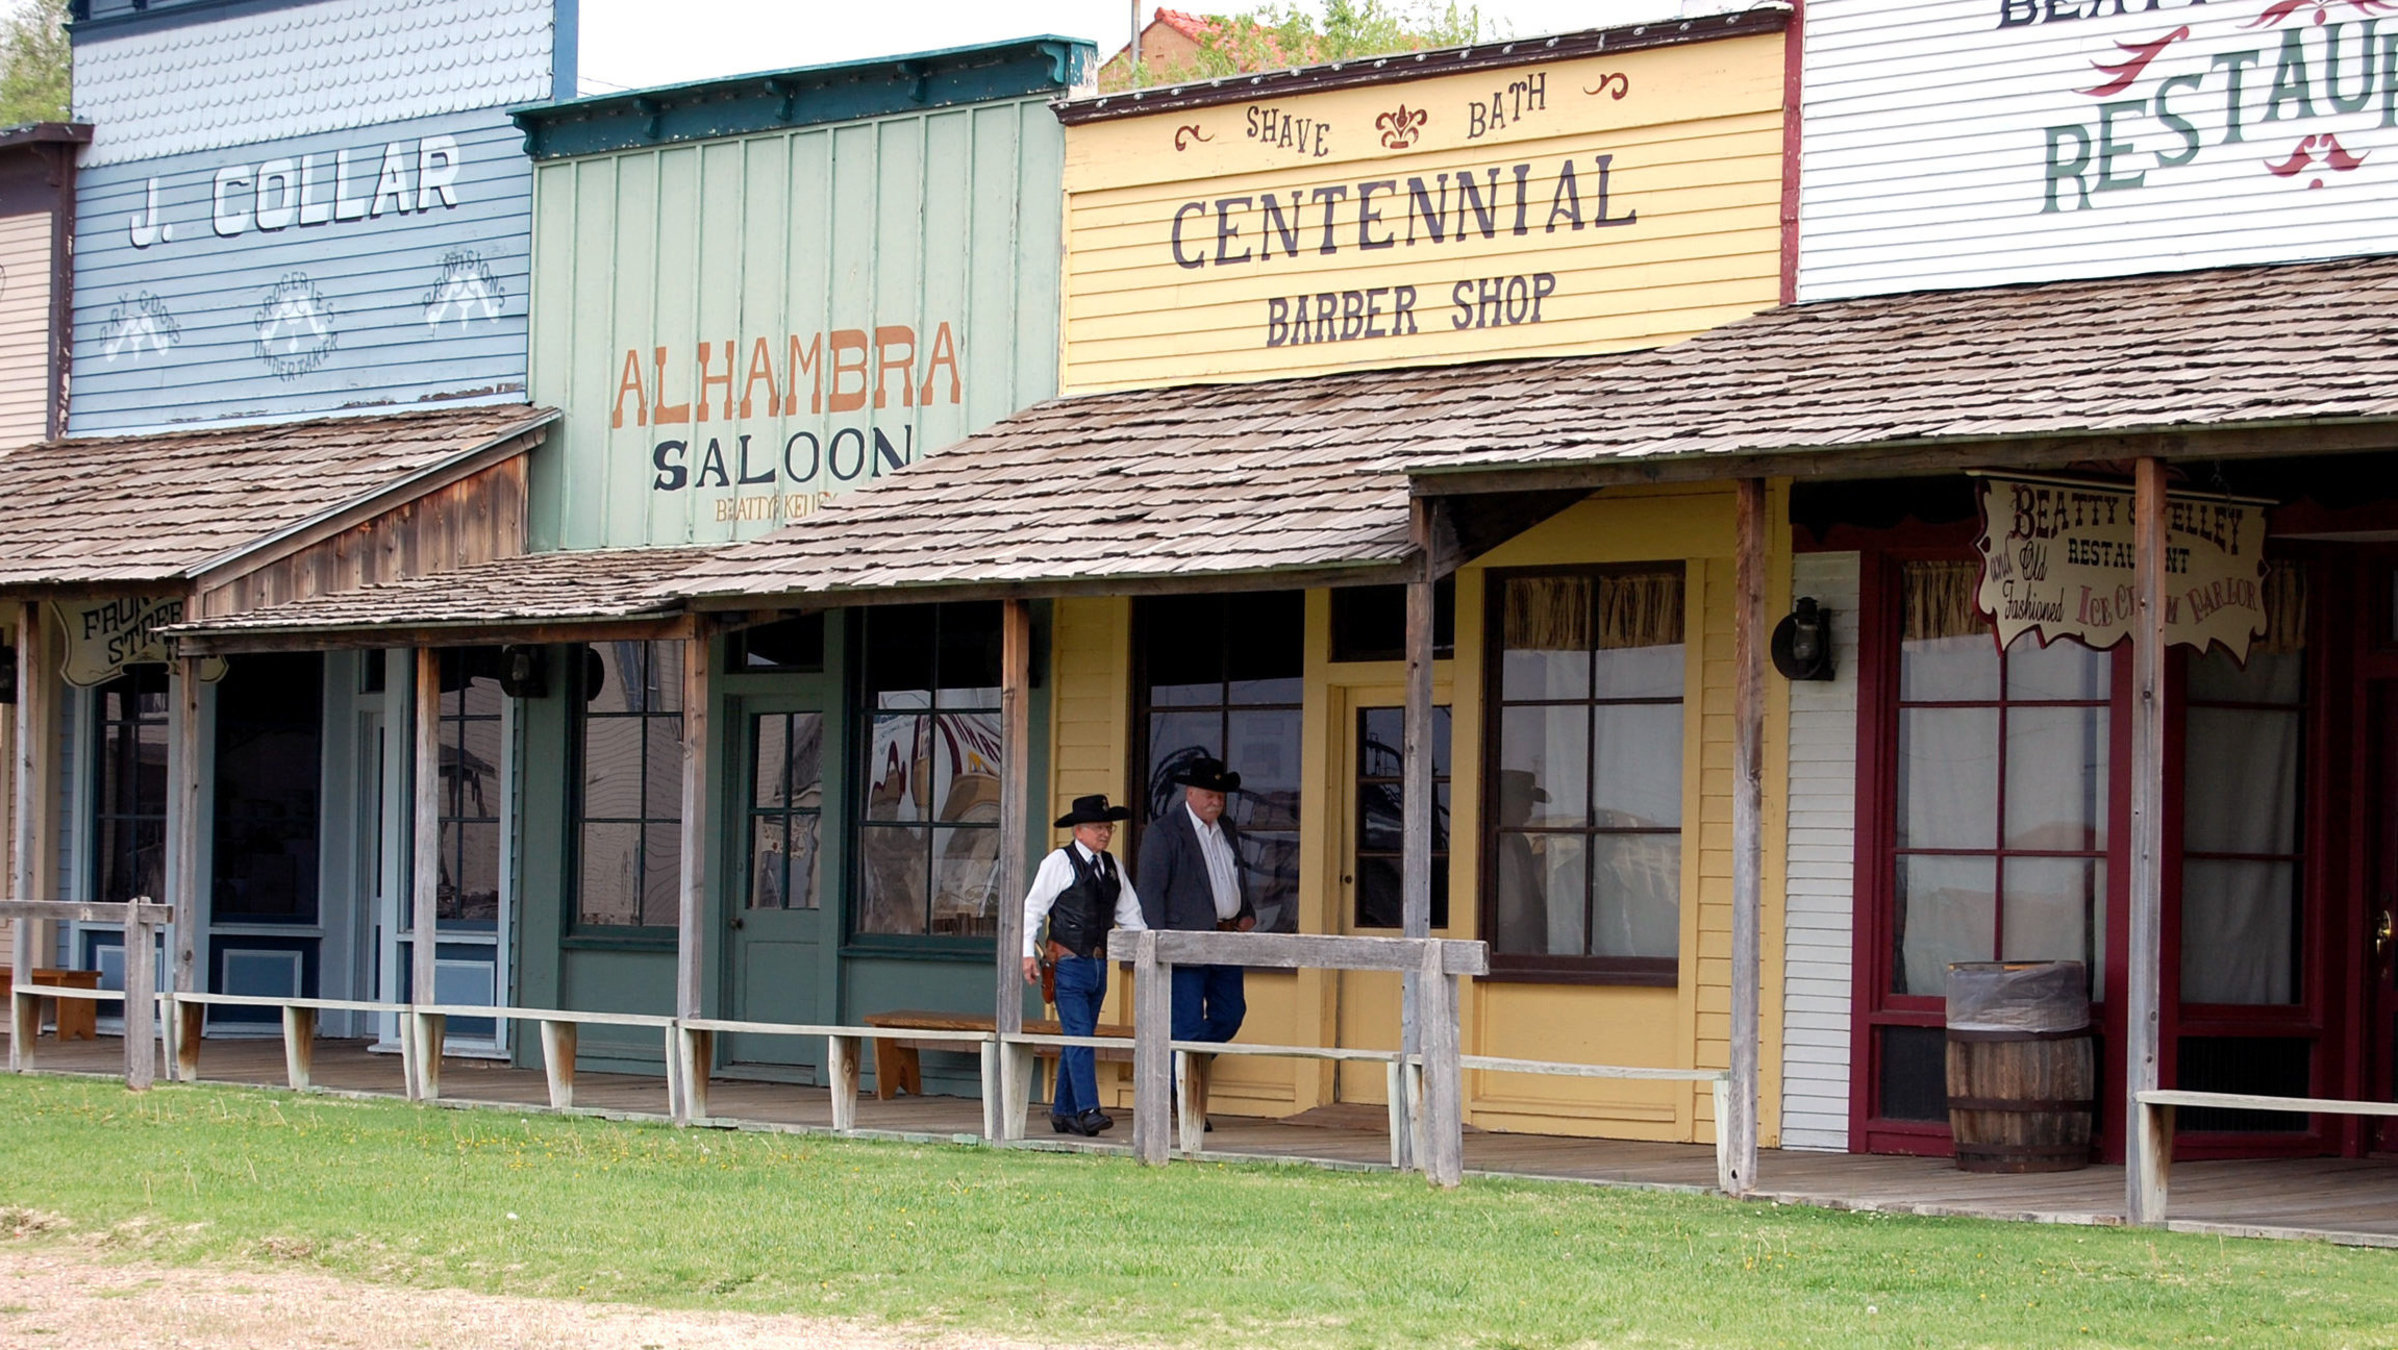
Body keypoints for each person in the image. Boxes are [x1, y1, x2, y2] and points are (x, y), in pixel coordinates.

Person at [1020, 793, 1146, 1137]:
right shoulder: (1058, 862)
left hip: (1098, 965)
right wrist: (1027, 953)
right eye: (1098, 827)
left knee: (1081, 1036)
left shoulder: (1112, 866)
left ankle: (1063, 1113)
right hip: (1068, 963)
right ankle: (1088, 1110)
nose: (1105, 833)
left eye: (1108, 827)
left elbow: (1130, 915)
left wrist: (1145, 951)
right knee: (1079, 1035)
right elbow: (1033, 908)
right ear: (1078, 830)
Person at [1136, 757, 1256, 1064]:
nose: (1216, 802)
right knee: (1186, 1026)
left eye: (1220, 796)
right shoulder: (1164, 832)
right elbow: (1150, 893)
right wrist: (1160, 944)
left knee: (1230, 1015)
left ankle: (1185, 1074)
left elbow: (1232, 874)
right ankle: (1179, 1087)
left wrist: (1246, 909)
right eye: (1209, 795)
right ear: (1190, 793)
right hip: (1183, 943)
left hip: (1226, 938)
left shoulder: (1226, 827)